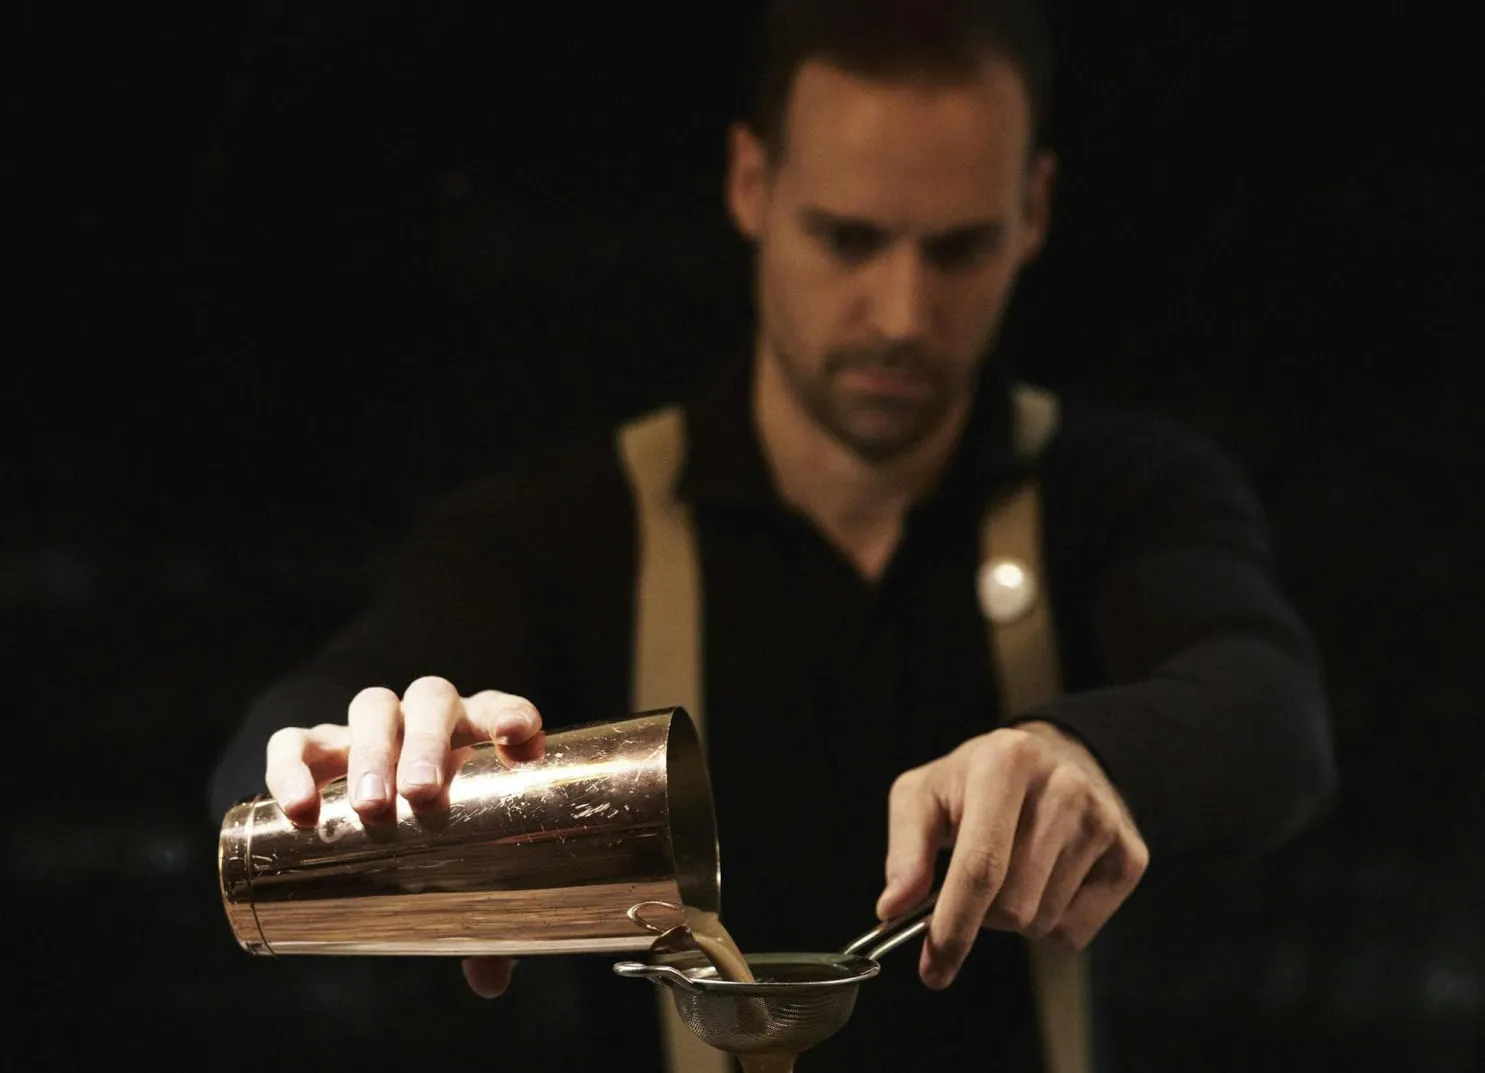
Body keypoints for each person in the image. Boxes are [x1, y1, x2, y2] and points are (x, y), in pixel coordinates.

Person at [208, 0, 1337, 1069]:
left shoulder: (1119, 492)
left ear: (1034, 211)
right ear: (751, 183)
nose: (900, 312)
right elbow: (263, 757)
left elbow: (1269, 709)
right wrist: (364, 762)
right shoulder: (561, 530)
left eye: (957, 249)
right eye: (847, 239)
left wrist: (1090, 752)